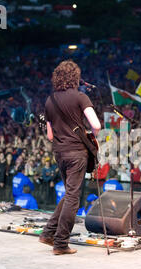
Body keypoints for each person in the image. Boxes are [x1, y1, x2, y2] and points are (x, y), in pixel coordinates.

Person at [40, 60, 101, 255]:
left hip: (59, 152)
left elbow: (50, 135)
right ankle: (60, 243)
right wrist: (91, 136)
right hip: (76, 152)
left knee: (69, 194)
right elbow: (96, 125)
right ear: (75, 77)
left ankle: (48, 233)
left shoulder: (49, 100)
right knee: (73, 197)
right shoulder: (80, 97)